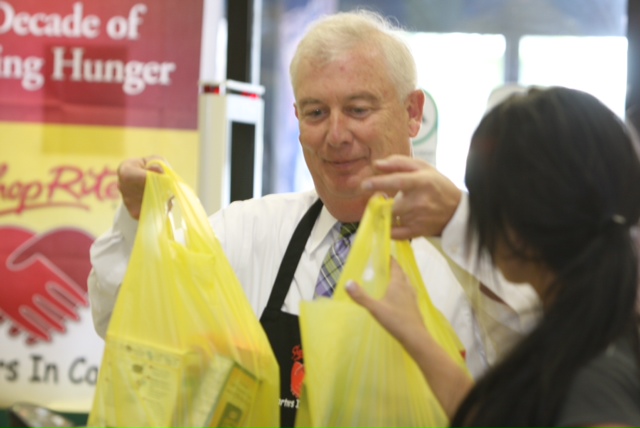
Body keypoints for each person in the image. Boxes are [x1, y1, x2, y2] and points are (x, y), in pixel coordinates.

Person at [88, 10, 538, 428]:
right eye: (316, 112)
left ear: (413, 112)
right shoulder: (250, 230)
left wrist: (460, 226)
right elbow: (133, 323)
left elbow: (539, 347)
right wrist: (136, 221)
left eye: (359, 109)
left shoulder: (475, 248)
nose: (336, 135)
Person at [347, 86, 640, 427]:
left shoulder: (592, 380)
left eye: (481, 205)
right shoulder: (588, 334)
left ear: (519, 229)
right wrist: (415, 333)